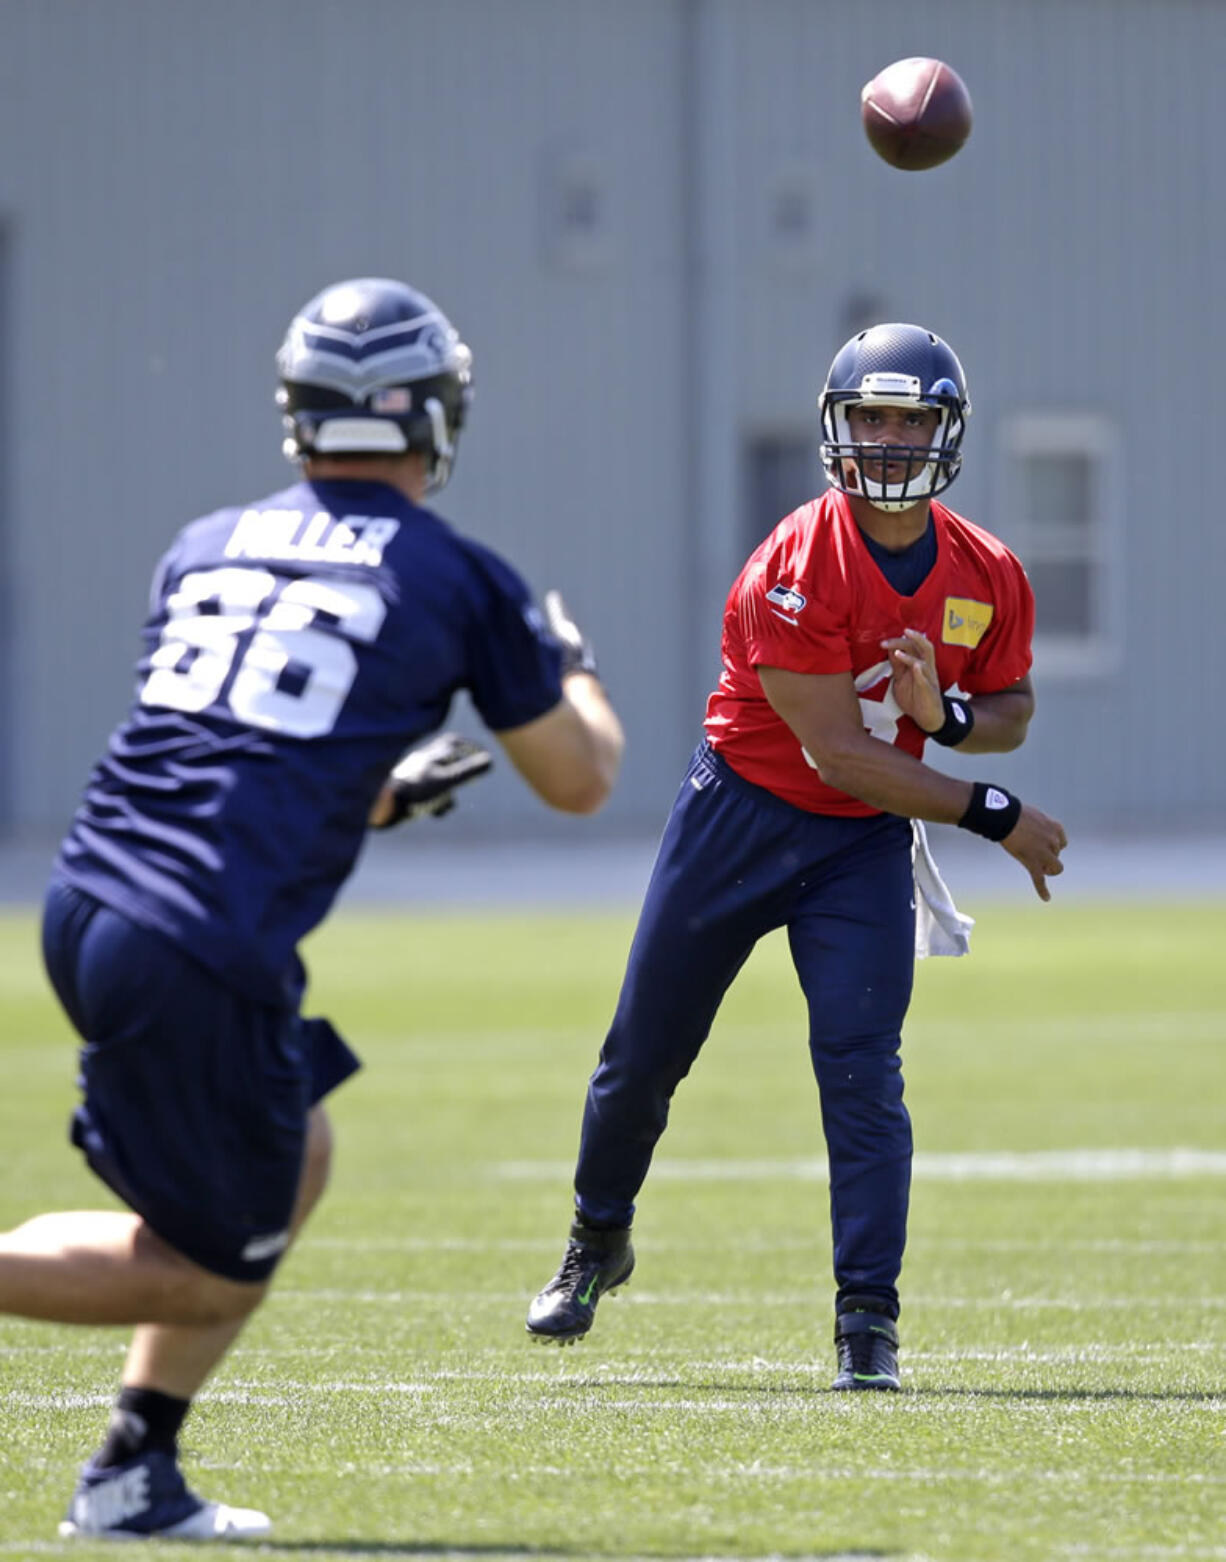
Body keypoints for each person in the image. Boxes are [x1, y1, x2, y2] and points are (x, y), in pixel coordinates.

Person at [4, 276, 624, 1540]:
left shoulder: (206, 540)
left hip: (92, 896)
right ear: (436, 413)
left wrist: (372, 796)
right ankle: (126, 1478)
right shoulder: (457, 575)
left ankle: (133, 1469)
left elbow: (229, 752)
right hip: (192, 936)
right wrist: (568, 662)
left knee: (298, 1152)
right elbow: (580, 778)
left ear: (299, 411)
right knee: (194, 1270)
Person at [526, 322, 1066, 1390]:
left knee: (862, 1075)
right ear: (837, 425)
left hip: (857, 846)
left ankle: (866, 1321)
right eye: (871, 415)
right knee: (643, 1053)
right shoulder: (795, 561)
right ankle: (595, 1239)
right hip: (742, 812)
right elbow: (838, 753)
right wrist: (992, 812)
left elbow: (1009, 705)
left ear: (945, 431)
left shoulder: (985, 569)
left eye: (911, 419)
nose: (890, 438)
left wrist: (948, 712)